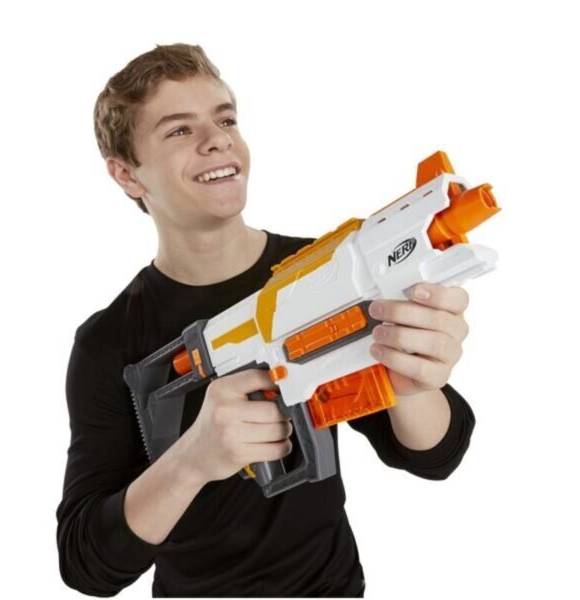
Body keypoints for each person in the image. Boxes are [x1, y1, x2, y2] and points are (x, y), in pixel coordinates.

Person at [56, 43, 476, 598]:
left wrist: (413, 379)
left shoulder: (323, 271)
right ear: (126, 174)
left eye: (225, 119)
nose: (217, 140)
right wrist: (193, 460)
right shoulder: (109, 341)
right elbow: (86, 563)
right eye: (179, 130)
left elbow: (435, 456)